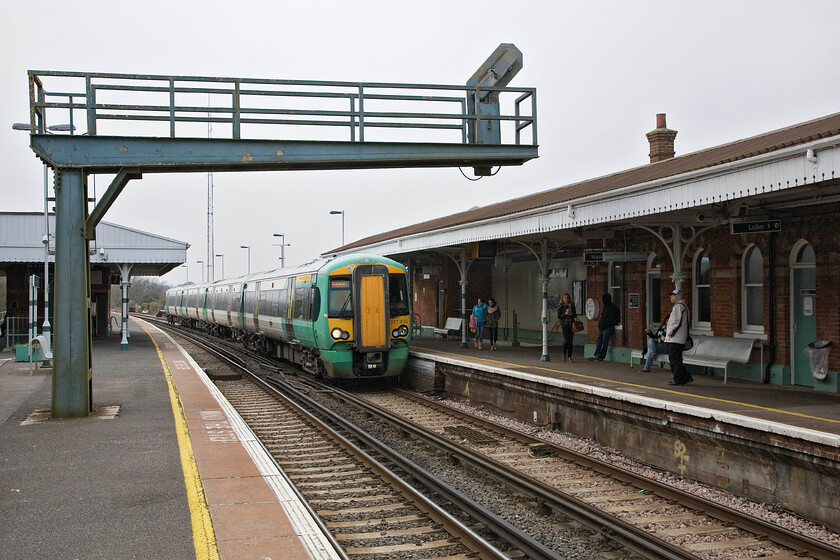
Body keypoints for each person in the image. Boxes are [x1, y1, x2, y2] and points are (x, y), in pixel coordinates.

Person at [665, 288, 693, 385]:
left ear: (679, 296)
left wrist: (669, 333)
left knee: (674, 360)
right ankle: (685, 377)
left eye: (673, 295)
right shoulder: (683, 306)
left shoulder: (678, 307)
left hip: (675, 338)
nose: (671, 297)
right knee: (678, 359)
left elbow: (675, 322)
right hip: (679, 338)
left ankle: (678, 379)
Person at [589, 293, 620, 361]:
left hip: (607, 327)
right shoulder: (606, 307)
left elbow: (612, 318)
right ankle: (597, 354)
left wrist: (605, 324)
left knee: (604, 342)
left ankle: (601, 355)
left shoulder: (612, 307)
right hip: (603, 326)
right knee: (599, 341)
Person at [557, 293, 577, 362]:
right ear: (562, 299)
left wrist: (571, 314)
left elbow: (575, 315)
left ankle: (570, 357)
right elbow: (559, 316)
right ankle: (564, 353)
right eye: (565, 298)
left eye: (567, 297)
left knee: (571, 341)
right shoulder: (561, 307)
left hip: (571, 325)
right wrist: (565, 314)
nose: (566, 299)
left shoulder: (572, 306)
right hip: (564, 325)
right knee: (566, 340)